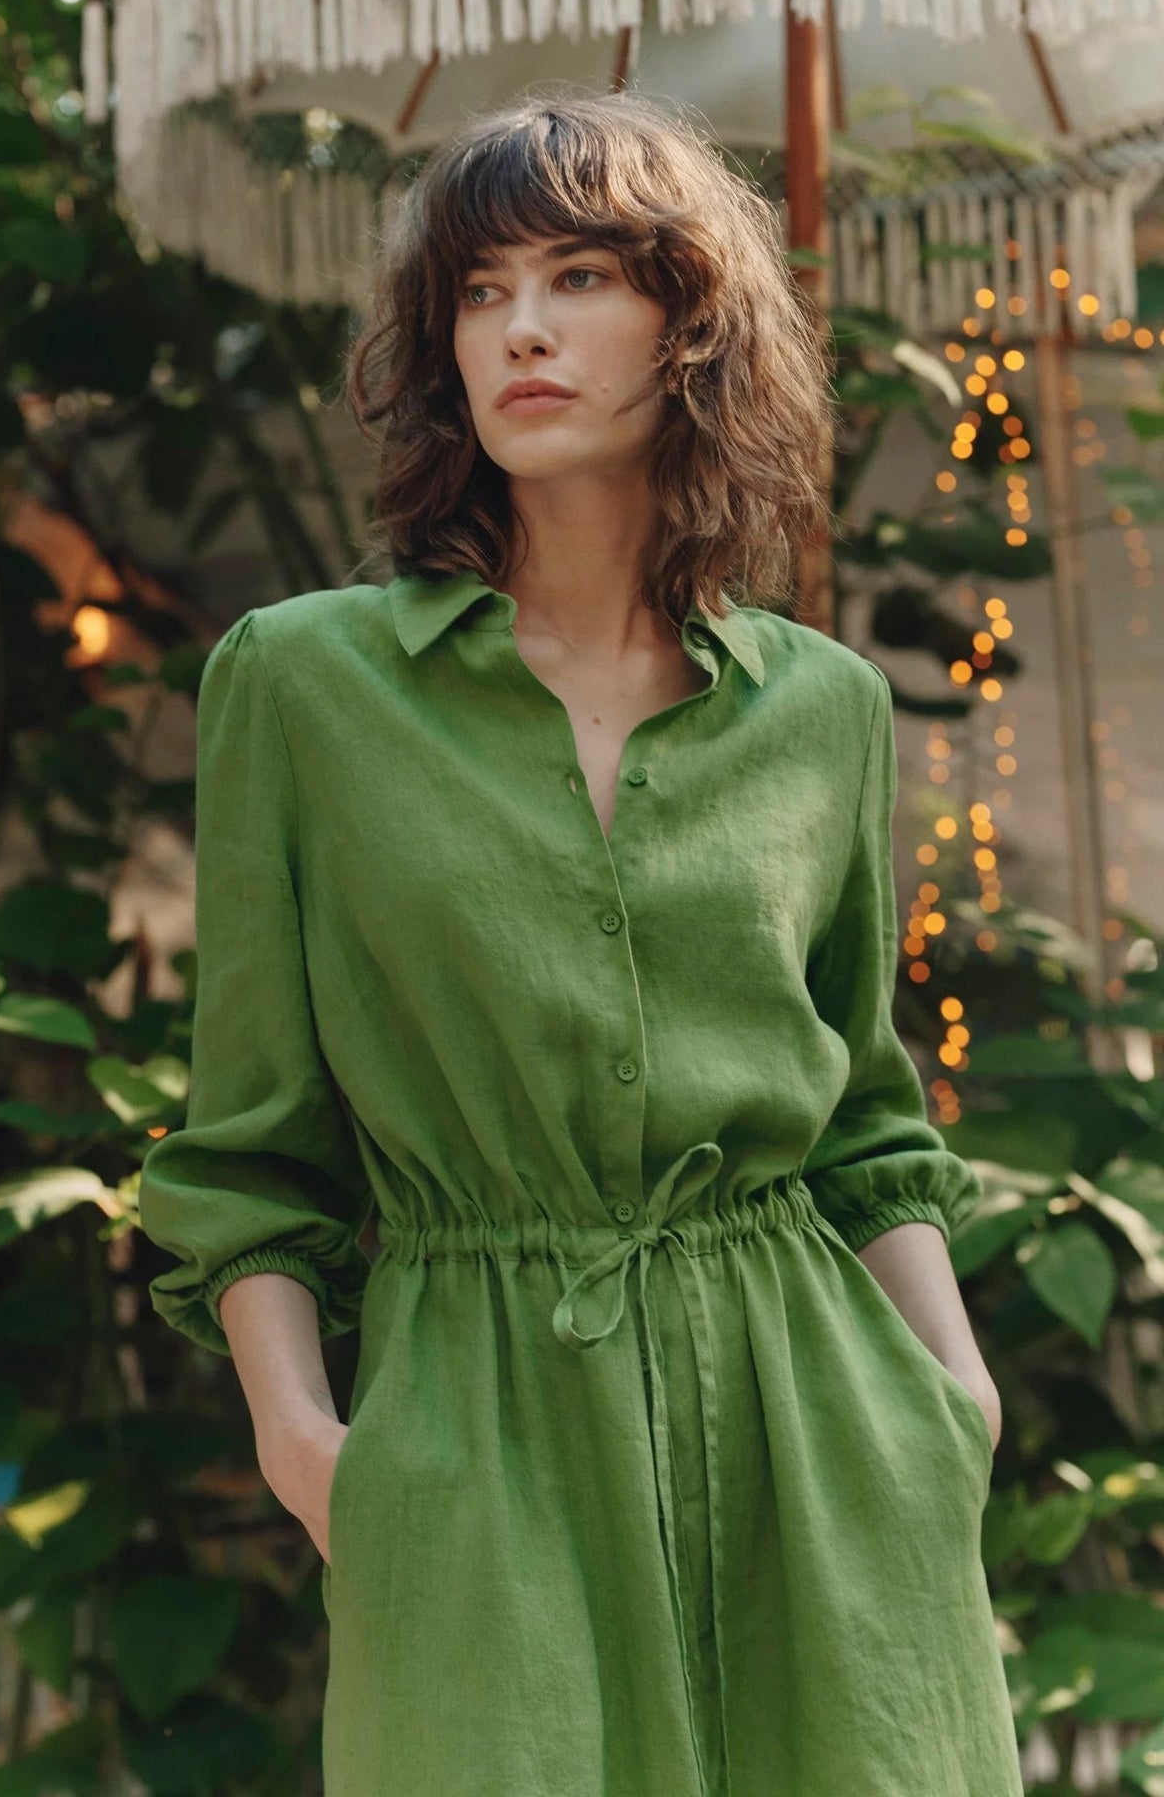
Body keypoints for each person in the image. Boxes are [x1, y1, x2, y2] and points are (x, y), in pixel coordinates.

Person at [136, 87, 1025, 1797]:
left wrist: (954, 1404)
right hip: (479, 1436)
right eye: (479, 292)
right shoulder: (304, 686)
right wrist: (309, 1444)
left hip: (817, 1436)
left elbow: (863, 1116)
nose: (522, 330)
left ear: (693, 329)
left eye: (581, 277)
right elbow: (250, 1139)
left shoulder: (822, 710)